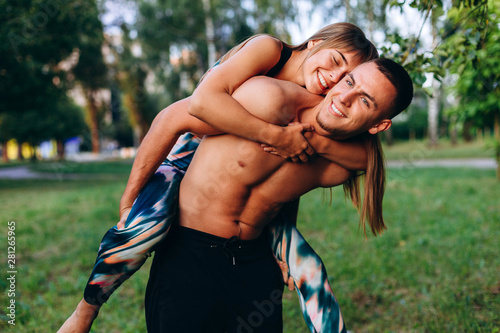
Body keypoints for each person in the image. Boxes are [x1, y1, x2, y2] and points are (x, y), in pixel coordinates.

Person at [58, 23, 379, 333]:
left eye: (345, 77)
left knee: (311, 270)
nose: (333, 78)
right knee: (140, 234)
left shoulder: (316, 102)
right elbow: (187, 111)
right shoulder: (269, 51)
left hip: (247, 209)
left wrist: (282, 236)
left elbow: (291, 176)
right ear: (314, 42)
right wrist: (129, 200)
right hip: (188, 154)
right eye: (335, 60)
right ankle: (84, 313)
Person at [145, 58, 413, 332]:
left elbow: (284, 194)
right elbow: (172, 118)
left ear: (379, 126)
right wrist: (129, 201)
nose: (344, 98)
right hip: (188, 254)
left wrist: (281, 250)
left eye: (364, 101)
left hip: (256, 263)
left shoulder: (337, 169)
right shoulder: (267, 97)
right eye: (349, 82)